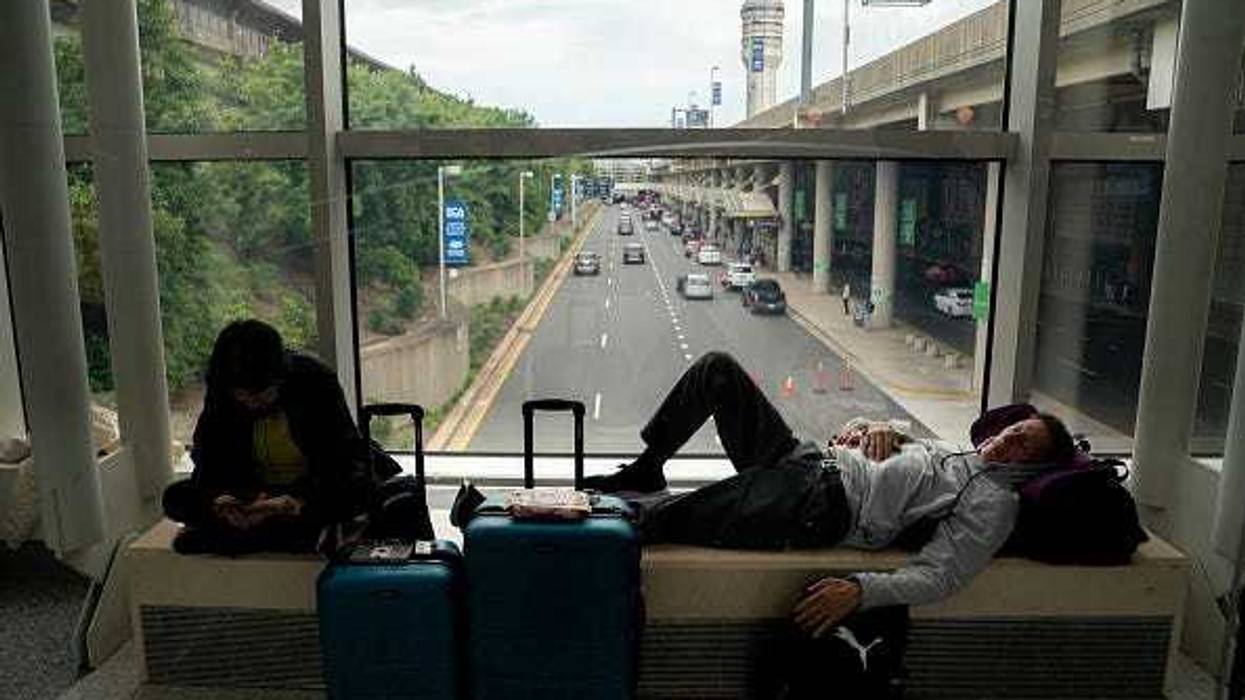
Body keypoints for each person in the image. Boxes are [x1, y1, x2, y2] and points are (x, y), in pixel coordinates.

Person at [579, 351, 1076, 638]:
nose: (1008, 437)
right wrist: (874, 425)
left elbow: (941, 575)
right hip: (806, 461)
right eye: (1015, 429)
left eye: (1023, 443)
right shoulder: (955, 453)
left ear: (1032, 466)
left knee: (656, 520)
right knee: (717, 370)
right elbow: (873, 440)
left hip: (815, 508)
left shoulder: (993, 501)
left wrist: (862, 590)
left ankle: (557, 543)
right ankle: (648, 465)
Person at [163, 320, 382, 555]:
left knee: (353, 494)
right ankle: (290, 536)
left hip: (305, 491)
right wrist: (225, 501)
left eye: (261, 394)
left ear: (279, 376)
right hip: (254, 494)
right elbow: (209, 457)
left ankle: (244, 538)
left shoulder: (314, 380)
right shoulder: (223, 394)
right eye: (243, 396)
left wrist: (294, 502)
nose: (252, 403)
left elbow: (341, 459)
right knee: (176, 498)